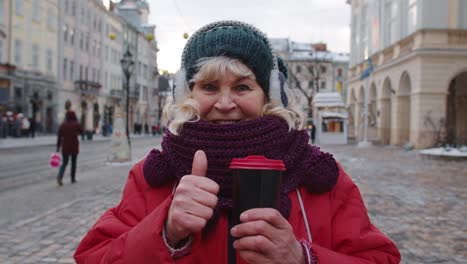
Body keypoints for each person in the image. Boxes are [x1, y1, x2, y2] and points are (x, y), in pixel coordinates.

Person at [74, 21, 400, 263]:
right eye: (210, 87)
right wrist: (165, 232)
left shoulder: (317, 175)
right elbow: (94, 256)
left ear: (269, 97)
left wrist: (303, 259)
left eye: (242, 87)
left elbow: (379, 258)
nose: (225, 102)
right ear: (187, 96)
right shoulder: (154, 176)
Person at [56, 110, 83, 186]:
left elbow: (59, 137)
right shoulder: (76, 124)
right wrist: (76, 132)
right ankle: (72, 178)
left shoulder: (63, 125)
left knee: (64, 163)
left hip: (65, 146)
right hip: (74, 146)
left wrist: (58, 147)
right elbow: (82, 131)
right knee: (74, 163)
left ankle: (60, 176)